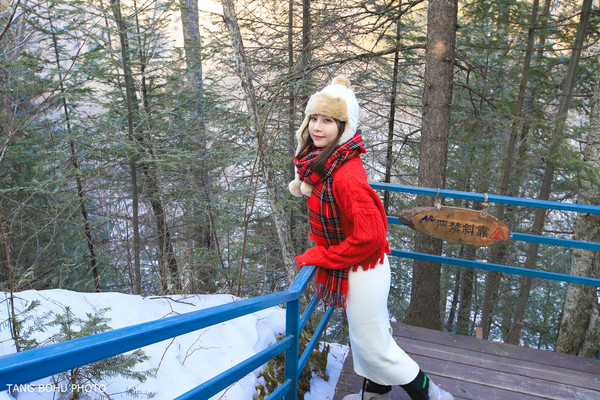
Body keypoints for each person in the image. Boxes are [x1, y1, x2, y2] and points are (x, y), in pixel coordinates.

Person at [289, 75, 454, 400]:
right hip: (357, 266)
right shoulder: (325, 162)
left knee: (375, 346)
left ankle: (432, 395)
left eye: (328, 121)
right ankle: (375, 395)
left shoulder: (345, 174)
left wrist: (324, 256)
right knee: (367, 340)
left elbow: (372, 235)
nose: (317, 127)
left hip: (364, 268)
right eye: (314, 118)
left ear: (344, 126)